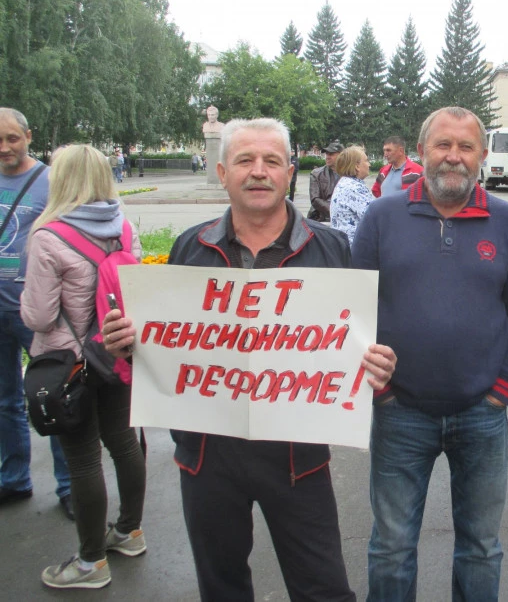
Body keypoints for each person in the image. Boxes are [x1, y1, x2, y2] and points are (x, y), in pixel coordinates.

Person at [101, 118, 396, 602]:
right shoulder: (190, 249)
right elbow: (169, 344)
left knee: (324, 588)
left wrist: (377, 367)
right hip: (207, 457)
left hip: (297, 457)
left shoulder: (330, 248)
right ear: (222, 172)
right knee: (222, 587)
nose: (258, 172)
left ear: (289, 172)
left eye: (271, 161)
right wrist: (130, 343)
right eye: (245, 160)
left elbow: (359, 342)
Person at [352, 106, 508, 601]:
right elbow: (353, 311)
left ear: (481, 156)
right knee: (391, 548)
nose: (453, 157)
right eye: (442, 145)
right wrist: (383, 392)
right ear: (421, 152)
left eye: (465, 147)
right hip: (400, 413)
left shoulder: (507, 223)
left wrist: (503, 388)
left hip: (482, 413)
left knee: (480, 548)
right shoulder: (381, 217)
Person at [21, 144, 146, 590]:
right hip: (115, 354)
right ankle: (130, 531)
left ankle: (91, 561)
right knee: (124, 444)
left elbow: (37, 316)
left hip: (69, 364)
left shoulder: (48, 236)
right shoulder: (124, 228)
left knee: (82, 460)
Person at [0, 107, 72, 518]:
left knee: (54, 398)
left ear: (29, 135)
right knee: (5, 401)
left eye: (13, 138)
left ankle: (68, 486)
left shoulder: (51, 181)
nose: (6, 148)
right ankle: (13, 479)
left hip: (38, 311)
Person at [330, 145, 374, 245]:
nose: (369, 164)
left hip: (344, 248)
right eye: (366, 161)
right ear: (357, 166)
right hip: (355, 250)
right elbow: (374, 219)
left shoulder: (344, 183)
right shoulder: (355, 188)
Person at [308, 141, 343, 222]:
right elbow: (315, 199)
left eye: (331, 154)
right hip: (320, 218)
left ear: (341, 155)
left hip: (342, 219)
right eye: (327, 154)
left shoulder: (349, 174)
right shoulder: (316, 174)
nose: (327, 157)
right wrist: (335, 211)